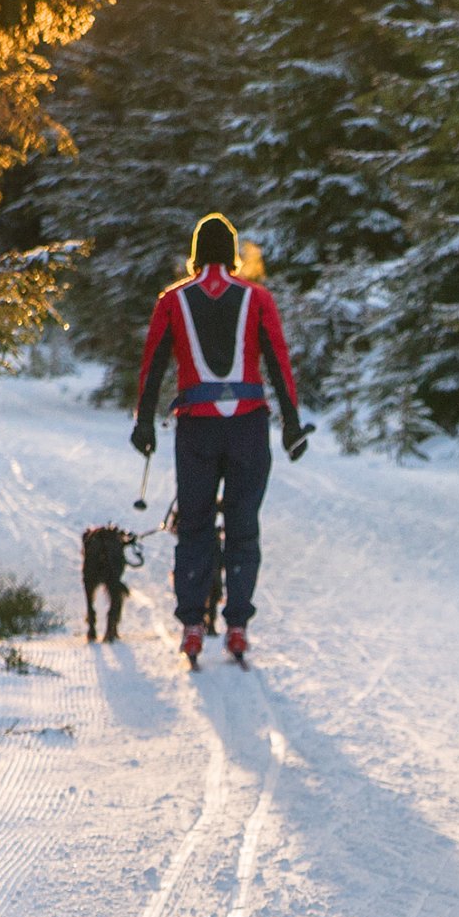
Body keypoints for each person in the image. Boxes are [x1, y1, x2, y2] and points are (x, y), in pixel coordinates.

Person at [130, 212, 311, 664]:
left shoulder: (173, 300)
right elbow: (278, 363)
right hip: (248, 424)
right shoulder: (258, 298)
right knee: (243, 527)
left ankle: (192, 626)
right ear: (232, 255)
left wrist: (144, 422)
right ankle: (237, 627)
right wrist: (290, 424)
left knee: (194, 526)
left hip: (197, 426)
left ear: (194, 255)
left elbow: (152, 364)